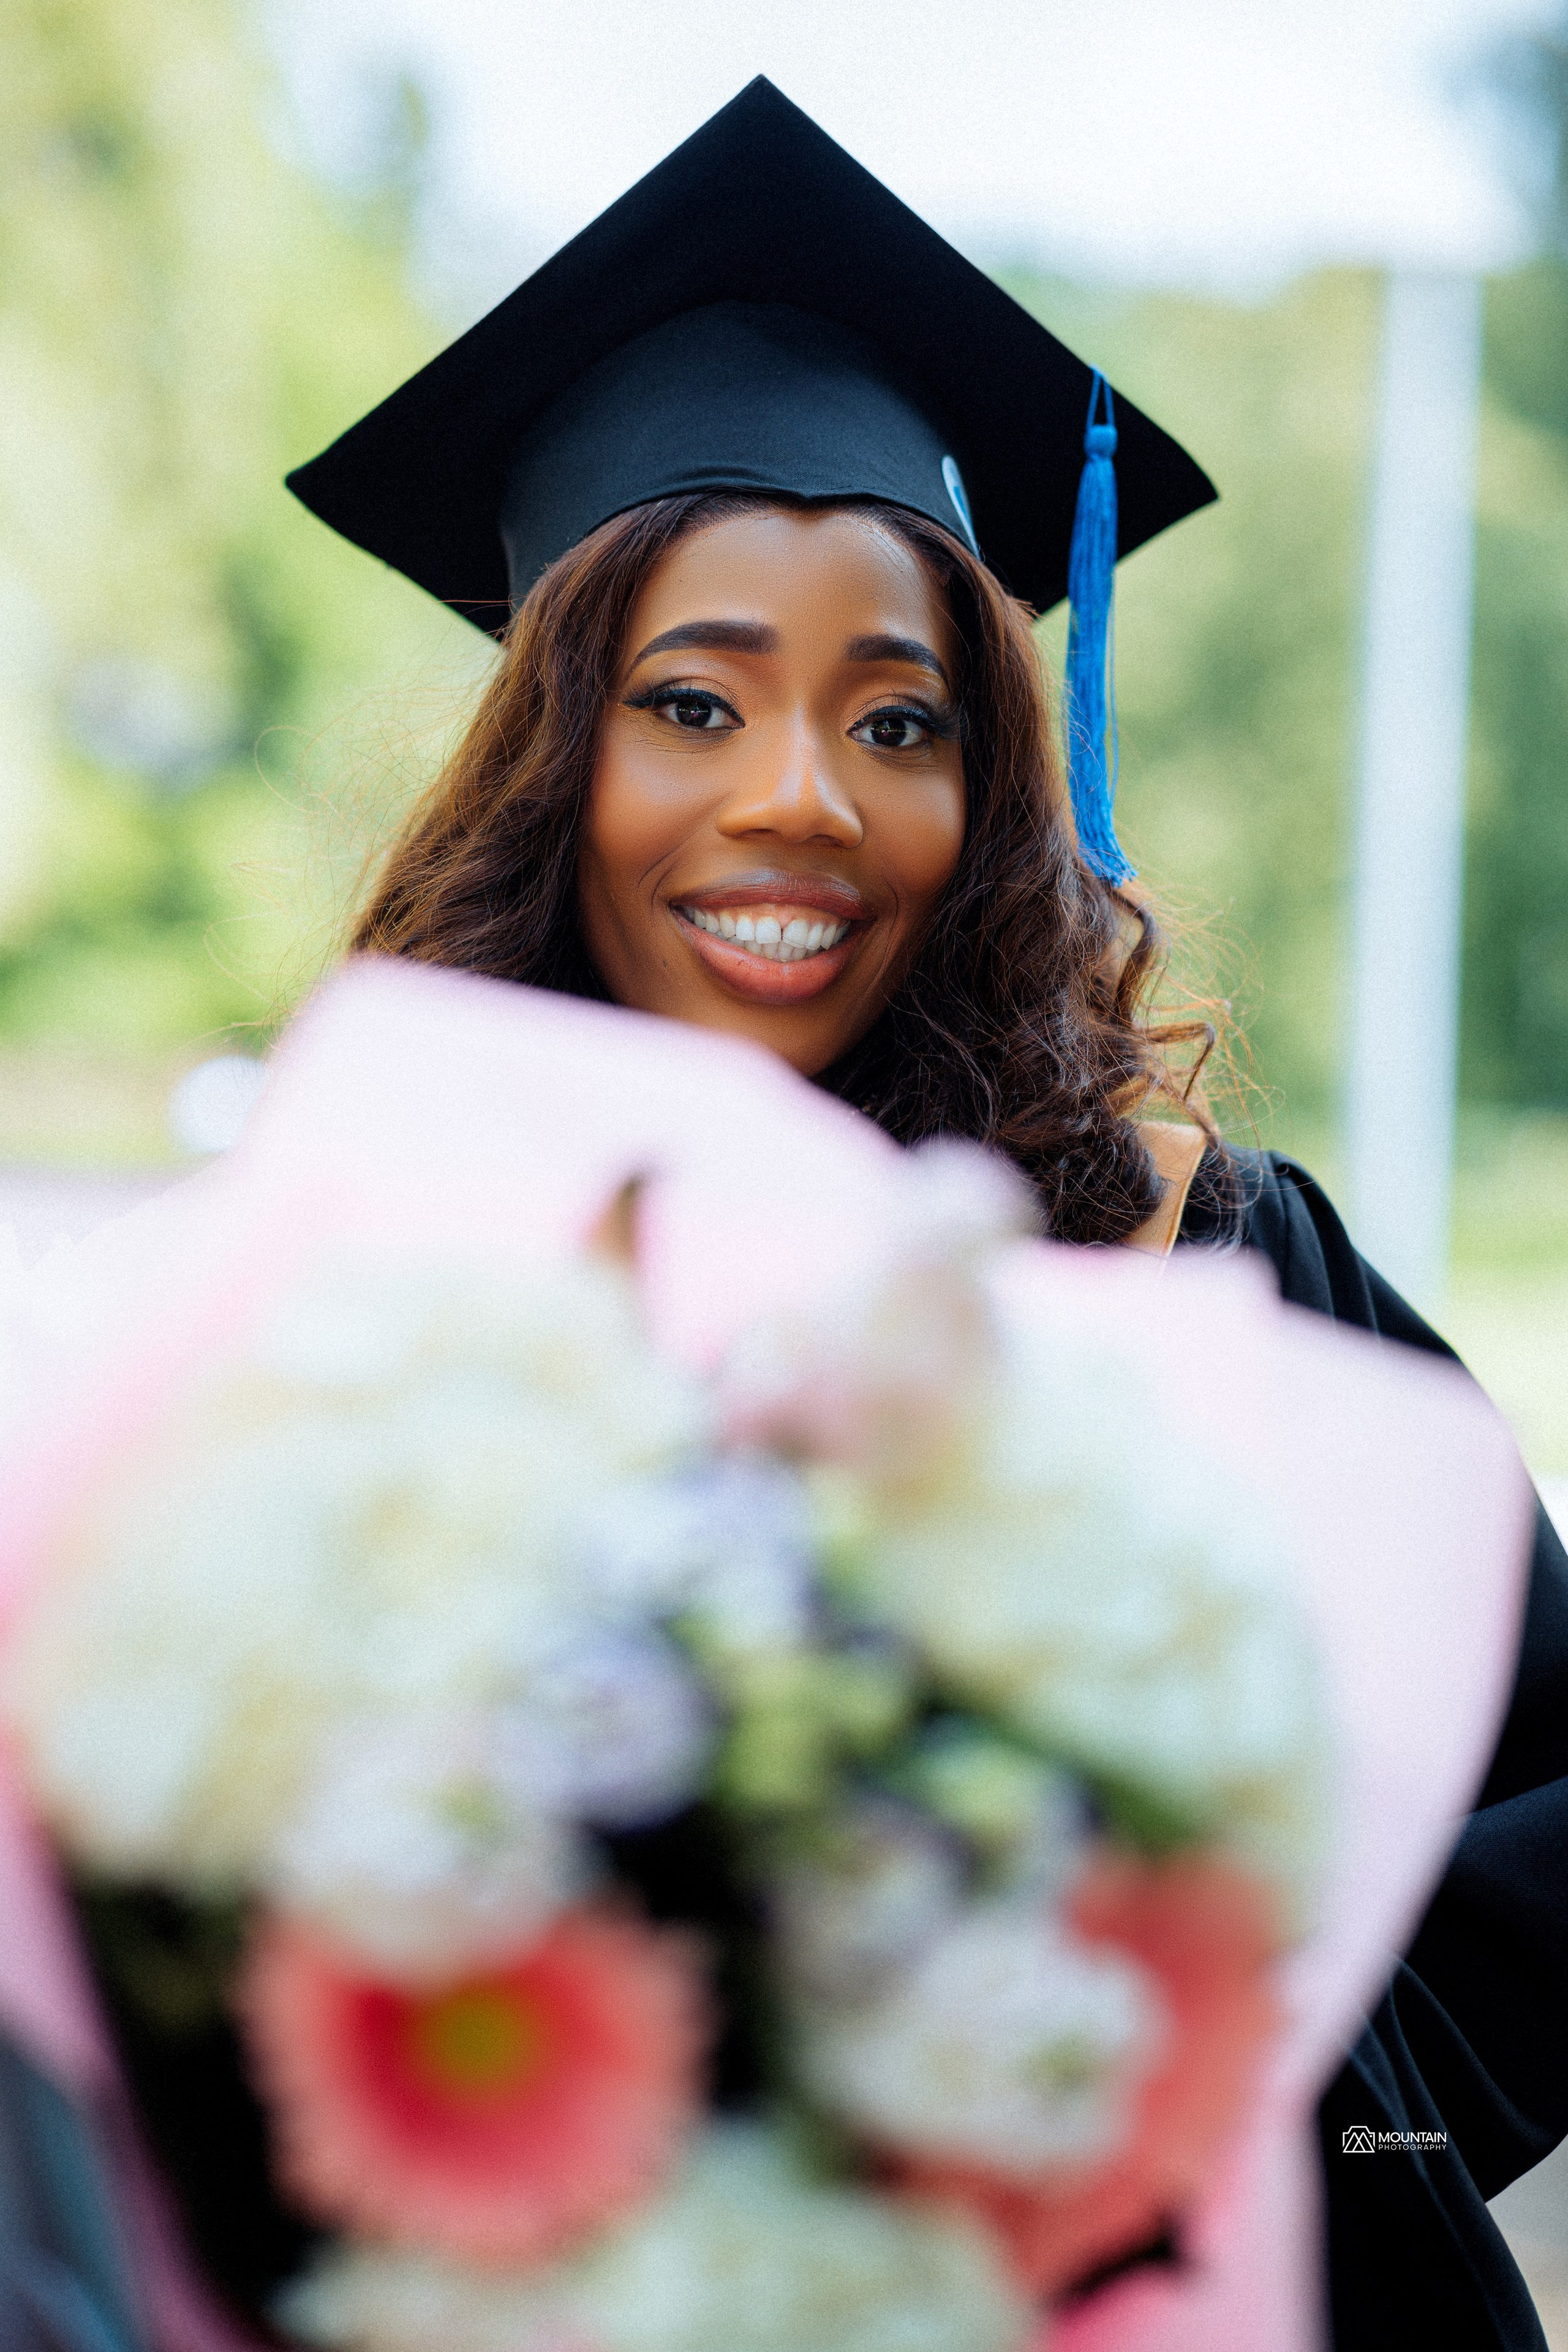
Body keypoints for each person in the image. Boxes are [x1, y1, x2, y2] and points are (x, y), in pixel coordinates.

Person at [21, 75, 1568, 2352]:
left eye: (901, 720)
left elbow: (1533, 1796)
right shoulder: (342, 1298)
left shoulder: (1188, 1247)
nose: (799, 803)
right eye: (690, 702)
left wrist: (1135, 2103)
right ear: (562, 757)